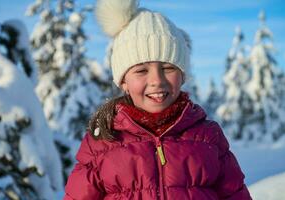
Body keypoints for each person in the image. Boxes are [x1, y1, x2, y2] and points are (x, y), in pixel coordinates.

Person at [64, 0, 251, 199]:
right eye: (141, 70)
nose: (157, 80)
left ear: (183, 75)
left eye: (168, 68)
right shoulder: (102, 143)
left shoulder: (207, 137)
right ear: (123, 81)